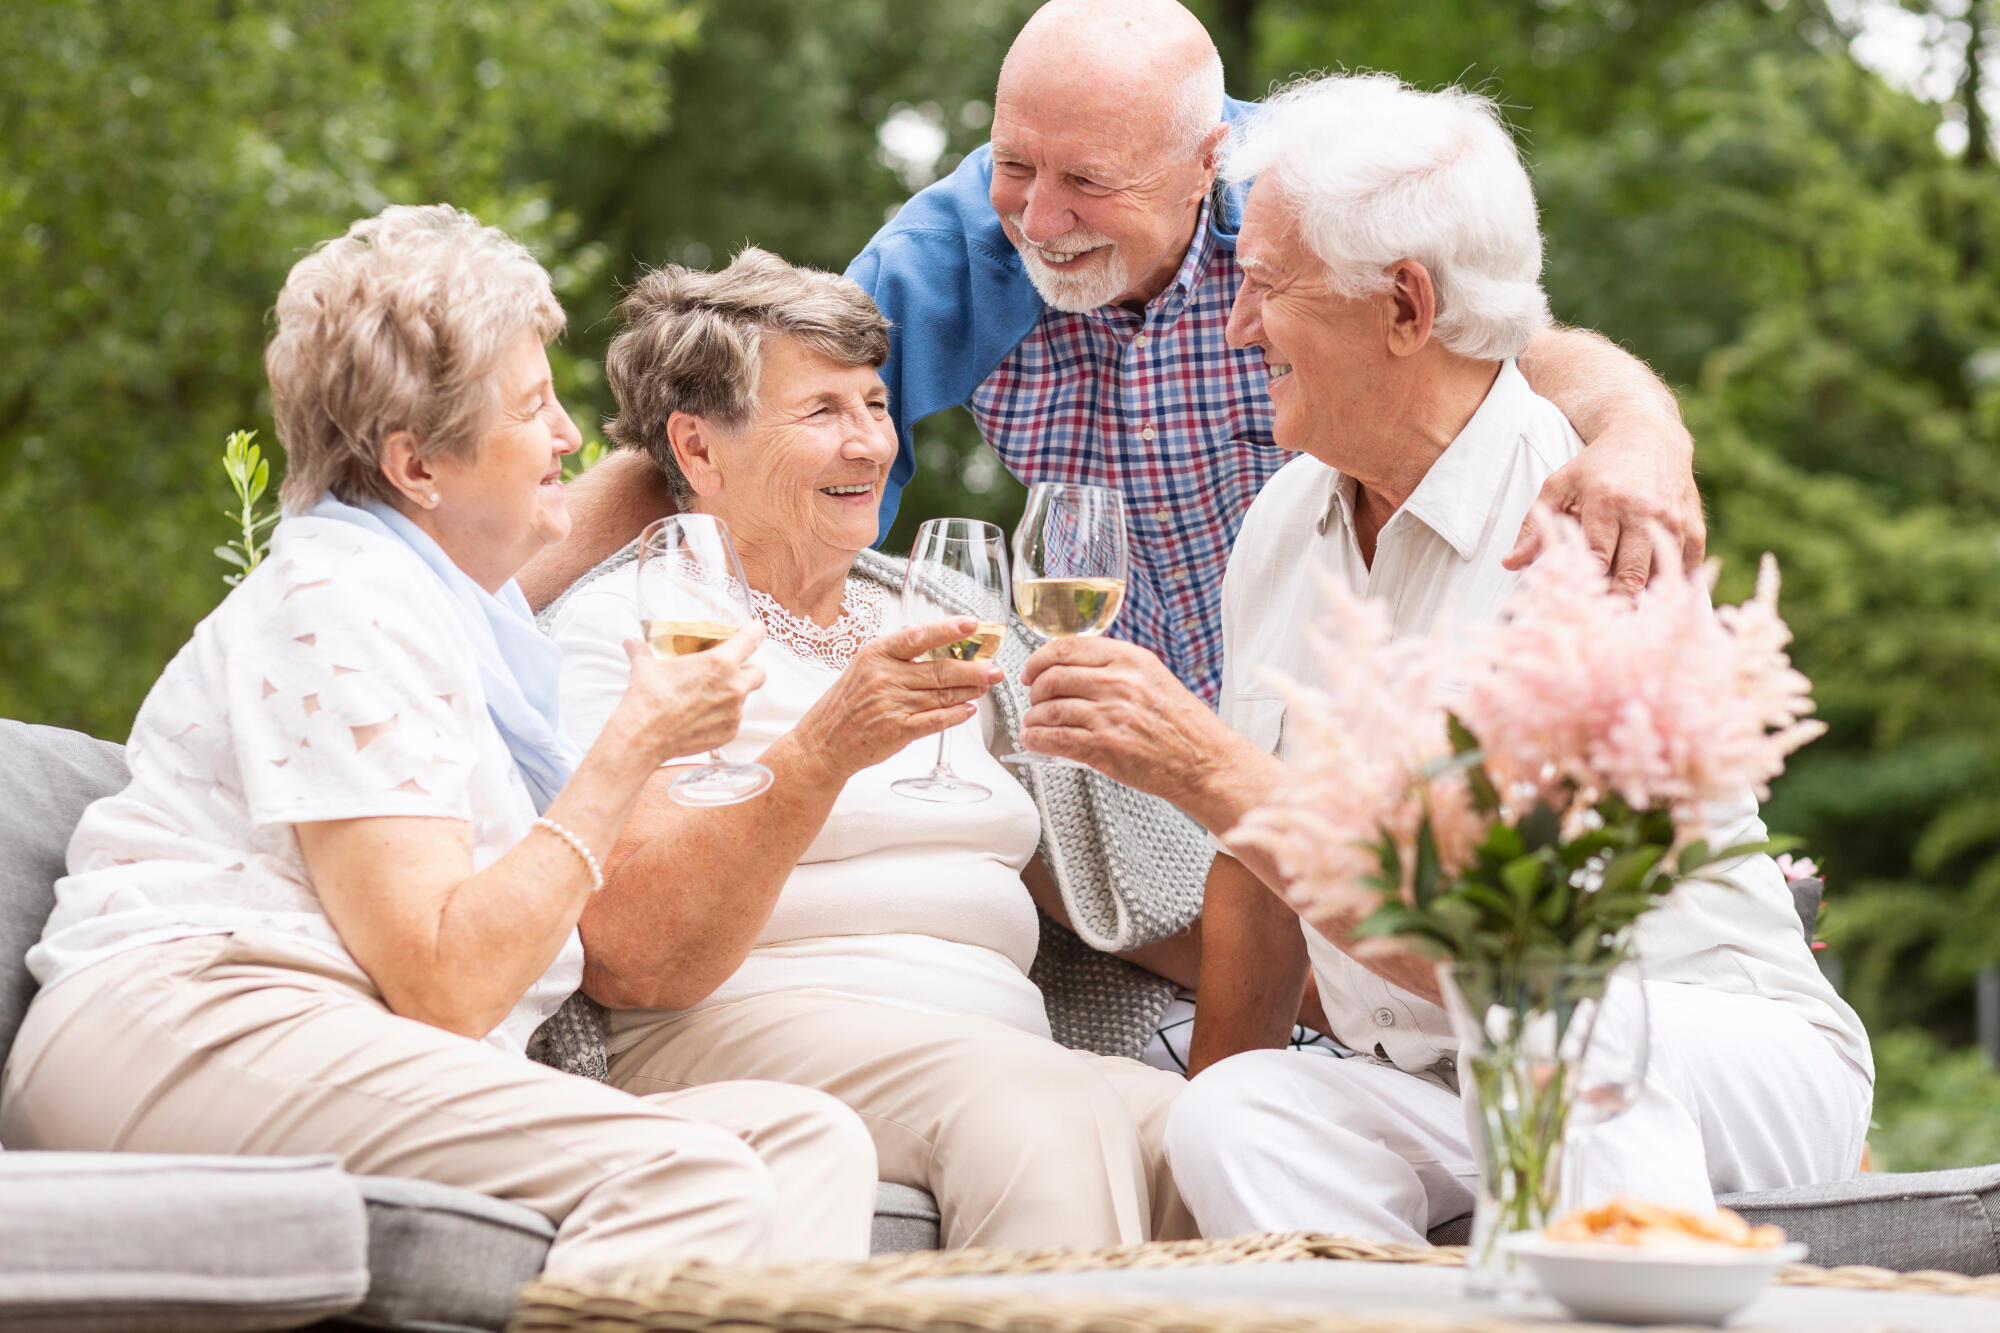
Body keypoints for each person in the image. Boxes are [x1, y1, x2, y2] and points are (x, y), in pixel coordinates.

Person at [1013, 75, 1873, 1241]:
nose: (1234, 324)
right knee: (1236, 1113)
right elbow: (1256, 884)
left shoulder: (1580, 529)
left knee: (1556, 1051)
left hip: (1691, 1040)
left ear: (1405, 306)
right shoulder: (1283, 520)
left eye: (1264, 287)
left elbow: (1505, 958)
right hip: (1455, 1072)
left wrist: (1206, 768)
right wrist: (1199, 1129)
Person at [0, 206, 879, 1277]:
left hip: (334, 1032)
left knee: (807, 1139)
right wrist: (633, 746)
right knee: (685, 1171)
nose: (571, 437)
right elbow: (446, 981)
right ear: (418, 466)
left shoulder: (469, 621)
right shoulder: (335, 600)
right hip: (192, 1022)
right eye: (531, 408)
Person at [524, 0, 1706, 710]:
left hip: (1340, 705)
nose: (1039, 220)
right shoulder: (965, 245)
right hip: (1123, 751)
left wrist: (1644, 438)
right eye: (1013, 166)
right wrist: (491, 609)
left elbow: (1518, 348)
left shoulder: (1298, 211)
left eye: (1088, 182)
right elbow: (734, 426)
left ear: (1207, 158)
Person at [543, 247, 1193, 1251]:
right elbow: (634, 956)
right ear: (699, 448)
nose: (869, 445)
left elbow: (1128, 879)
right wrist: (820, 750)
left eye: (875, 405)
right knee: (1033, 1102)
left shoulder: (932, 613)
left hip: (997, 1040)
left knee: (1216, 1137)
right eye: (821, 413)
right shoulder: (629, 625)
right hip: (729, 1028)